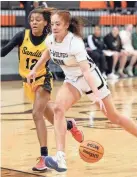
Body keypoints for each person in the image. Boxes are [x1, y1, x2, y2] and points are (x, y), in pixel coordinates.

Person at [27, 10, 137, 172]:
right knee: (58, 109)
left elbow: (86, 72)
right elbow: (47, 53)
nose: (54, 27)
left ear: (66, 25)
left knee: (114, 117)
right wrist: (34, 70)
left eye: (58, 24)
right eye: (52, 24)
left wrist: (97, 95)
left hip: (90, 78)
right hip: (72, 80)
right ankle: (60, 158)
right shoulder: (51, 39)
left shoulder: (75, 42)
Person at [1, 7, 84, 172]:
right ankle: (69, 125)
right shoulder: (22, 36)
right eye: (32, 20)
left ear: (46, 22)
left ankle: (44, 157)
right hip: (27, 82)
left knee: (36, 114)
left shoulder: (50, 40)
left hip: (43, 79)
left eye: (38, 20)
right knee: (53, 119)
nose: (34, 23)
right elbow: (3, 52)